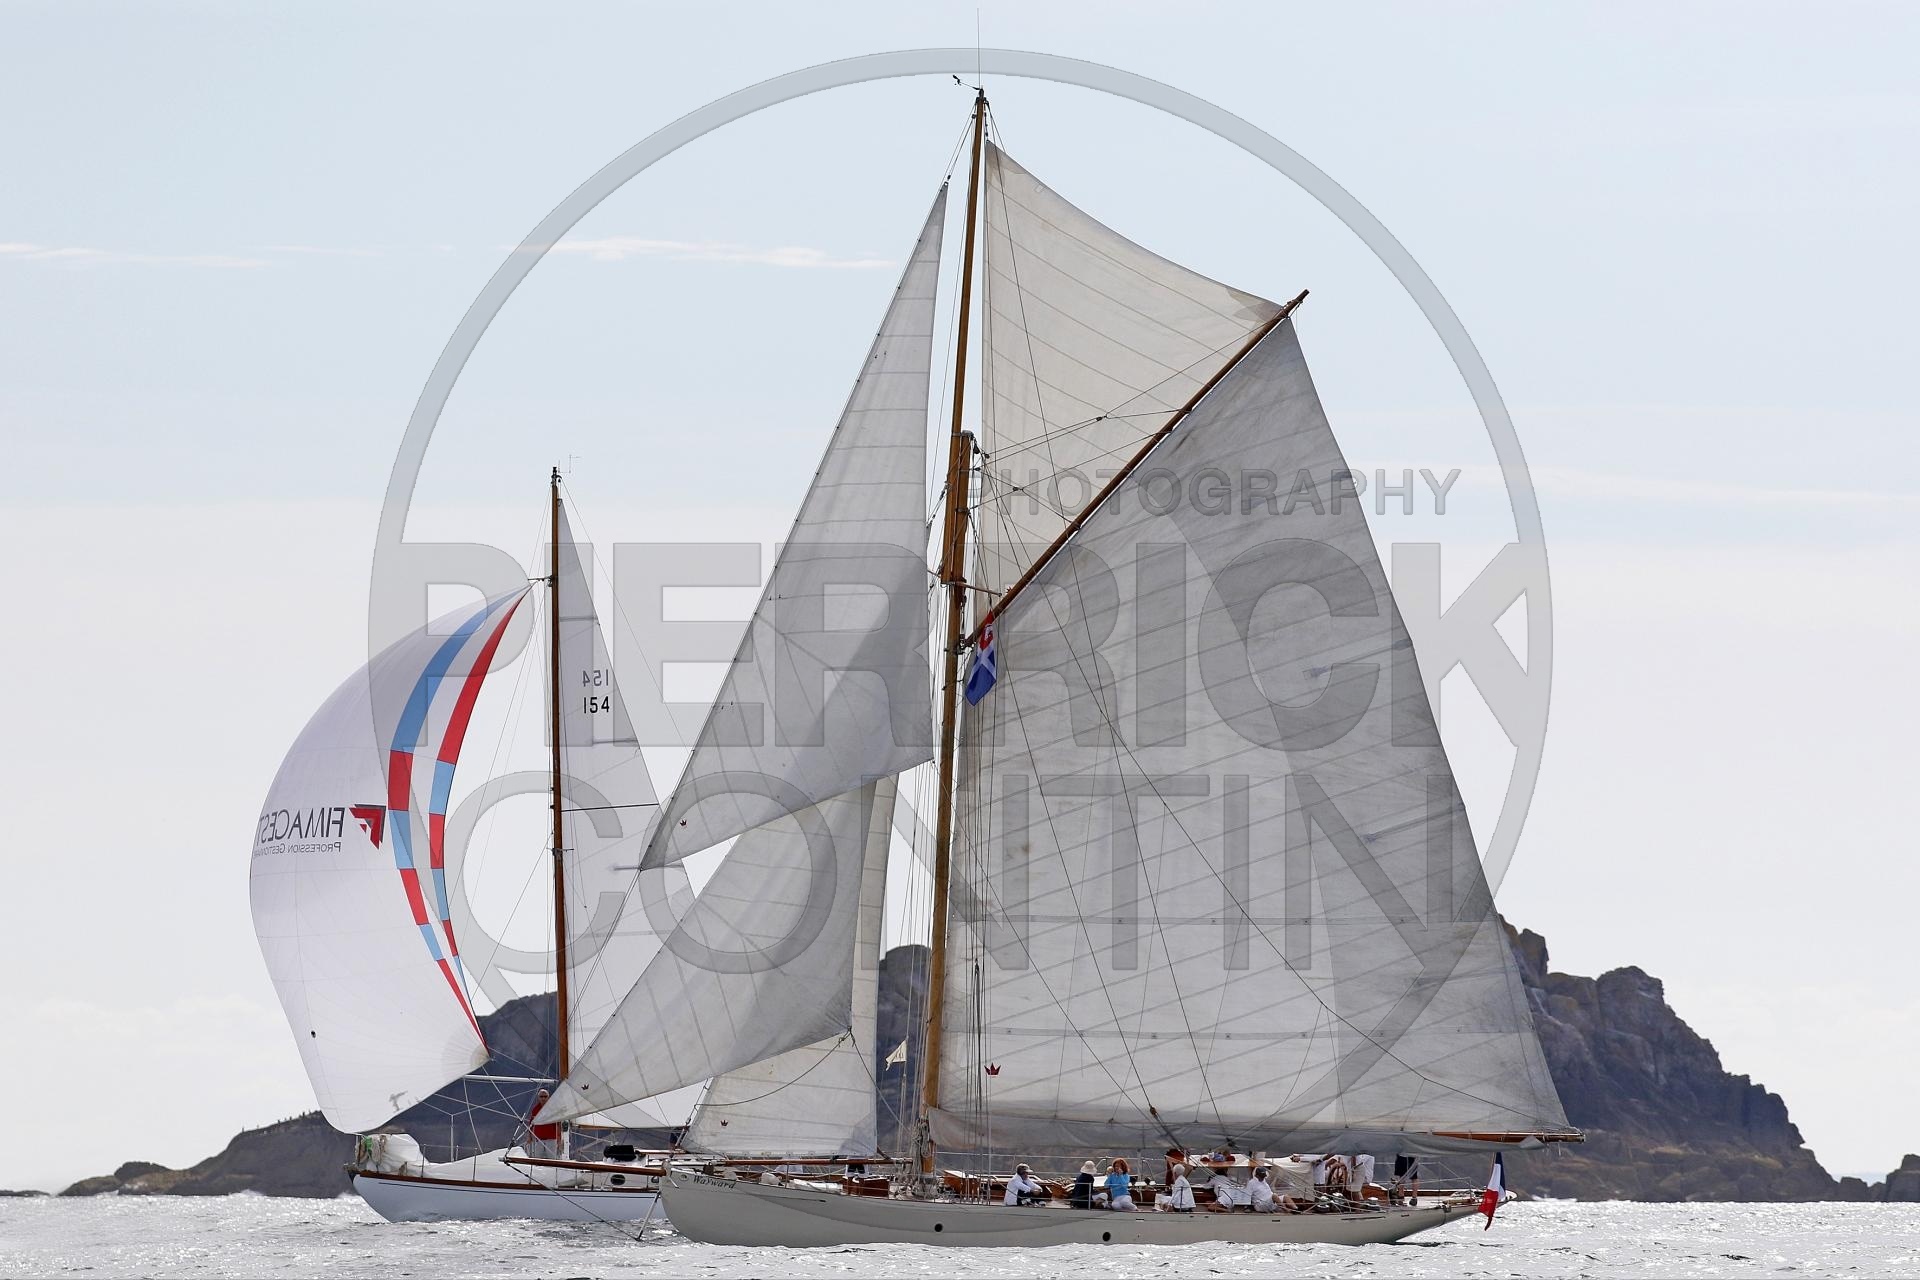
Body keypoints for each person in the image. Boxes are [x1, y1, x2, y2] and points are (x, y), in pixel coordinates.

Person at [526, 1088, 562, 1160]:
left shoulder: (553, 1108)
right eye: (541, 1096)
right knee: (538, 1159)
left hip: (551, 1139)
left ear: (548, 1097)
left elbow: (558, 1124)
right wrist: (529, 1136)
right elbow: (531, 1124)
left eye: (545, 1096)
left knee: (552, 1159)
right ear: (538, 1098)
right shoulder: (535, 1109)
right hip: (538, 1139)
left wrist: (559, 1138)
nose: (543, 1098)